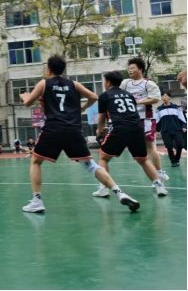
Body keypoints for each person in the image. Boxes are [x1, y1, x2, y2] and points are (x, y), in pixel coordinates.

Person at [19, 55, 140, 213]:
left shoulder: (44, 83)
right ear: (63, 69)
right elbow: (93, 97)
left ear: (48, 69)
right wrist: (81, 108)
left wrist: (25, 96)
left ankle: (36, 201)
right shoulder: (73, 84)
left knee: (36, 161)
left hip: (53, 129)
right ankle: (119, 192)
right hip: (73, 129)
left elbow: (28, 103)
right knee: (90, 165)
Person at [93, 71, 167, 197]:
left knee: (103, 157)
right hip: (137, 128)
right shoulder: (129, 95)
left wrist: (99, 130)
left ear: (108, 82)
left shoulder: (105, 95)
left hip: (119, 129)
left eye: (104, 81)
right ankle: (159, 186)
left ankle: (103, 188)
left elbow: (101, 117)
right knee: (143, 160)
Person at [120, 57, 168, 182]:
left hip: (146, 119)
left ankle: (159, 173)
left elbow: (155, 98)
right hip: (130, 119)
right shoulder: (126, 83)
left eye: (132, 68)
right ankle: (154, 174)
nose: (130, 70)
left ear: (140, 69)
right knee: (139, 149)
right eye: (128, 68)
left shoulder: (148, 83)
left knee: (150, 147)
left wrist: (137, 102)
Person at [156, 91, 186, 167]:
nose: (164, 97)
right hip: (165, 131)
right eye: (163, 96)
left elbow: (182, 118)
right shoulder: (159, 109)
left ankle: (177, 159)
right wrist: (157, 130)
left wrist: (184, 126)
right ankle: (173, 162)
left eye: (166, 96)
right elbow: (157, 121)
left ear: (169, 97)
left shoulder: (176, 107)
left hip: (176, 130)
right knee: (169, 147)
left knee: (180, 145)